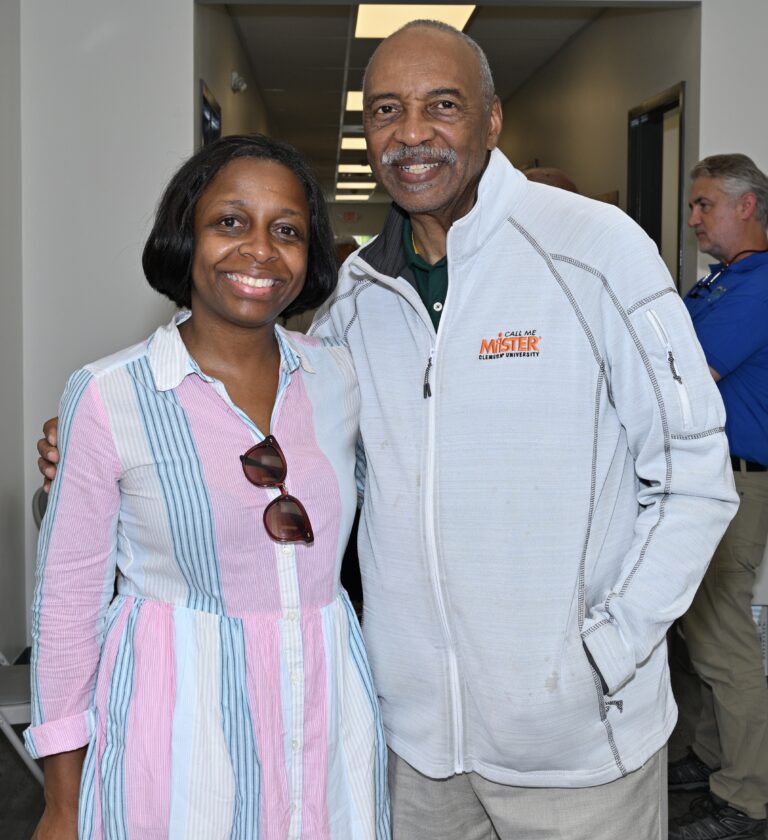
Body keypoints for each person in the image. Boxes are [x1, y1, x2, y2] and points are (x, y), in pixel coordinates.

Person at [39, 21, 738, 840]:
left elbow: (694, 471)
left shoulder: (595, 249)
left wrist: (610, 650)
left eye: (442, 105)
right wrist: (103, 429)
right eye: (384, 111)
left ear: (491, 119)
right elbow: (263, 407)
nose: (411, 133)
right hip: (408, 747)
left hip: (575, 745)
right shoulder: (353, 307)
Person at [27, 134, 390, 840]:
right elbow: (65, 611)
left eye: (286, 230)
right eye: (230, 222)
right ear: (184, 237)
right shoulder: (110, 396)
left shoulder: (340, 379)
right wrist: (63, 804)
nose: (259, 249)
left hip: (325, 738)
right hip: (176, 754)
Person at [667, 154, 768, 840]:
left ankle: (750, 796)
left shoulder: (759, 286)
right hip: (702, 475)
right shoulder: (719, 284)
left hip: (734, 479)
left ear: (748, 207)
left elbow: (683, 371)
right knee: (695, 629)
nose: (695, 218)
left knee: (725, 642)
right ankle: (710, 759)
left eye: (706, 205)